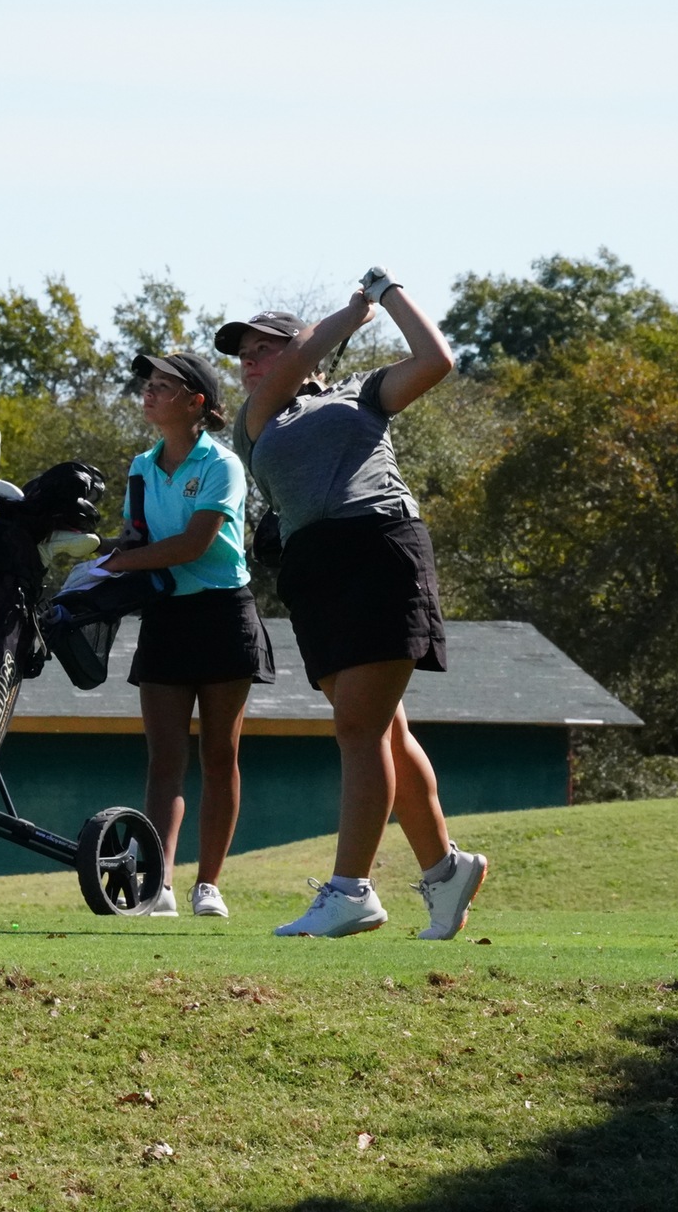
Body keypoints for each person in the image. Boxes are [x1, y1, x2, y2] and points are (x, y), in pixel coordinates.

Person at [220, 273, 489, 940]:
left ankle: (351, 891)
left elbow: (437, 361)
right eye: (244, 356)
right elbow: (295, 366)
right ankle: (445, 871)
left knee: (359, 730)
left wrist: (388, 296)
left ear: (294, 347)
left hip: (379, 544)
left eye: (263, 349)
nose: (252, 365)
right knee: (383, 729)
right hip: (315, 567)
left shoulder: (362, 395)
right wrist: (352, 313)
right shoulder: (255, 424)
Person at [94, 351, 274, 919]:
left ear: (196, 403)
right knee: (163, 760)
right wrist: (96, 552)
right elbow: (136, 537)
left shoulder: (222, 465)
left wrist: (122, 564)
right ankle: (158, 882)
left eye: (163, 386)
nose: (149, 392)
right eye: (148, 384)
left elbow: (193, 545)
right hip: (166, 618)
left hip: (223, 615)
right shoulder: (141, 467)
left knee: (220, 755)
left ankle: (209, 885)